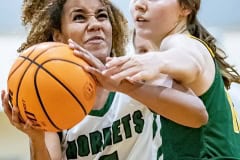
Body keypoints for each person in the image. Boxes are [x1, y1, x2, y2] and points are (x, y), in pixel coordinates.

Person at [1, 0, 208, 159]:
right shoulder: (48, 100)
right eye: (80, 18)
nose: (95, 25)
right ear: (58, 37)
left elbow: (198, 115)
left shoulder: (137, 69)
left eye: (101, 16)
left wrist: (125, 86)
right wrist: (36, 138)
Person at [102, 0, 240, 159]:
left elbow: (190, 60)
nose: (138, 4)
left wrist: (158, 61)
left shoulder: (179, 41)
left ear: (185, 7)